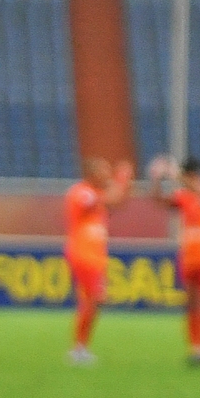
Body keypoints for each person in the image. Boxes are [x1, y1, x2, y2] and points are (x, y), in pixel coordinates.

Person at [152, 154, 200, 365]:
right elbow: (160, 202)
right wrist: (157, 180)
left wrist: (176, 175)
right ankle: (196, 349)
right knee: (192, 304)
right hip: (190, 257)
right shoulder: (184, 196)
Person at [63, 156, 133, 366]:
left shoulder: (96, 193)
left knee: (91, 301)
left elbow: (117, 201)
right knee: (95, 298)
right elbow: (110, 199)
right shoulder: (81, 192)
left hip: (95, 255)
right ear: (92, 174)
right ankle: (78, 349)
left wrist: (122, 183)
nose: (107, 174)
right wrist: (121, 178)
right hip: (84, 254)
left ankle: (80, 348)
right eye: (104, 171)